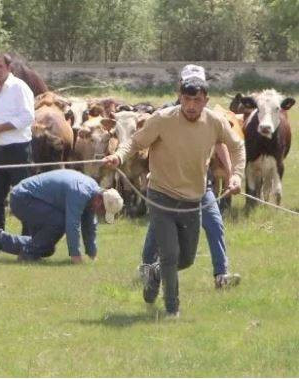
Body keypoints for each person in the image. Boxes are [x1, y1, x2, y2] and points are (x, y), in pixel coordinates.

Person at [103, 72, 246, 318]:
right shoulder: (162, 119)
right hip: (161, 196)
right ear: (180, 97)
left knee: (186, 259)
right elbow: (135, 143)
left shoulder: (215, 122)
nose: (191, 106)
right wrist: (119, 156)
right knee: (170, 254)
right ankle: (172, 309)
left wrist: (237, 176)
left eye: (197, 101)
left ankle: (154, 272)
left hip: (194, 199)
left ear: (205, 100)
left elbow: (236, 146)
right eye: (186, 100)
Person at [139, 64, 242, 289]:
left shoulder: (209, 118)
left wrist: (232, 172)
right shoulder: (165, 113)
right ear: (180, 86)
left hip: (200, 184)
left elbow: (221, 143)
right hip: (166, 186)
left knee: (214, 223)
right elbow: (147, 143)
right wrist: (153, 173)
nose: (192, 102)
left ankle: (221, 275)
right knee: (157, 227)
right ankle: (147, 270)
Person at [0, 169, 123, 263]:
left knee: (46, 248)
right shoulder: (81, 192)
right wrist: (76, 256)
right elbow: (72, 224)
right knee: (59, 222)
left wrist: (92, 253)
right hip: (22, 198)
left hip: (30, 199)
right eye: (102, 211)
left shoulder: (92, 193)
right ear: (99, 200)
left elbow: (89, 223)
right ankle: (26, 252)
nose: (100, 214)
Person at [0, 53, 35, 231]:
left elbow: (28, 117)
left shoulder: (20, 87)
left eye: (0, 67)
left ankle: (27, 240)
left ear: (9, 68)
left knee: (22, 196)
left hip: (18, 150)